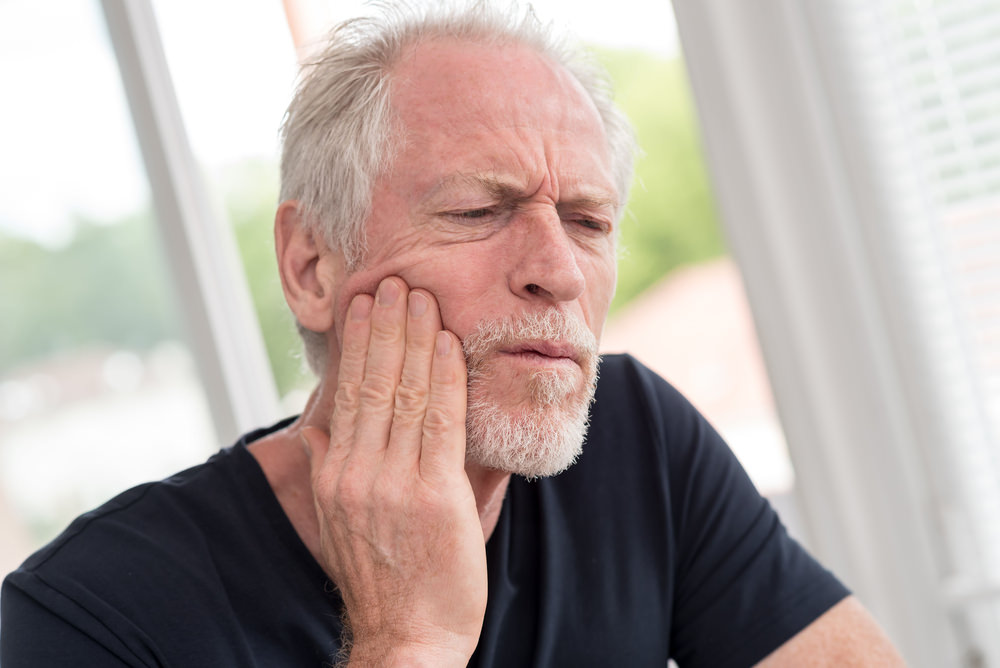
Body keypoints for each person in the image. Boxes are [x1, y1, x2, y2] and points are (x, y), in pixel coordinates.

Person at [1, 2, 906, 665]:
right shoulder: (83, 616)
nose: (555, 271)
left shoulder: (636, 438)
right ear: (311, 266)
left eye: (589, 222)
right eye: (480, 210)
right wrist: (408, 641)